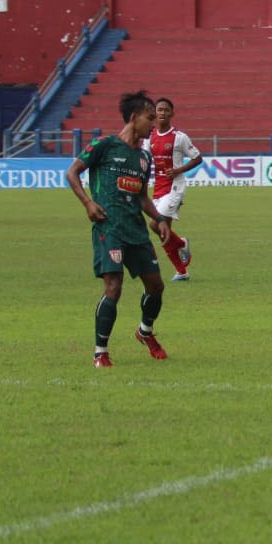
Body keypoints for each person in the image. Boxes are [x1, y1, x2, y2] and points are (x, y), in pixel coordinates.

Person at [65, 90, 172, 368]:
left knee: (156, 286)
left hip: (136, 230)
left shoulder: (143, 158)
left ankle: (145, 332)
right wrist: (88, 203)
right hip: (108, 227)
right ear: (134, 118)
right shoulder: (105, 145)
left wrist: (160, 219)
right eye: (150, 118)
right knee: (113, 286)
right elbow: (72, 172)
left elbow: (142, 196)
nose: (153, 123)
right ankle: (100, 352)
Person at [144, 97, 202, 281]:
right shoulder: (150, 137)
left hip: (175, 187)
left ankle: (181, 255)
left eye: (166, 110)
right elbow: (145, 161)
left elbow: (197, 158)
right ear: (154, 113)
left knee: (156, 224)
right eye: (159, 110)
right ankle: (181, 265)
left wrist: (178, 170)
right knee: (162, 230)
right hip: (158, 188)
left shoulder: (179, 137)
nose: (162, 113)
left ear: (172, 114)